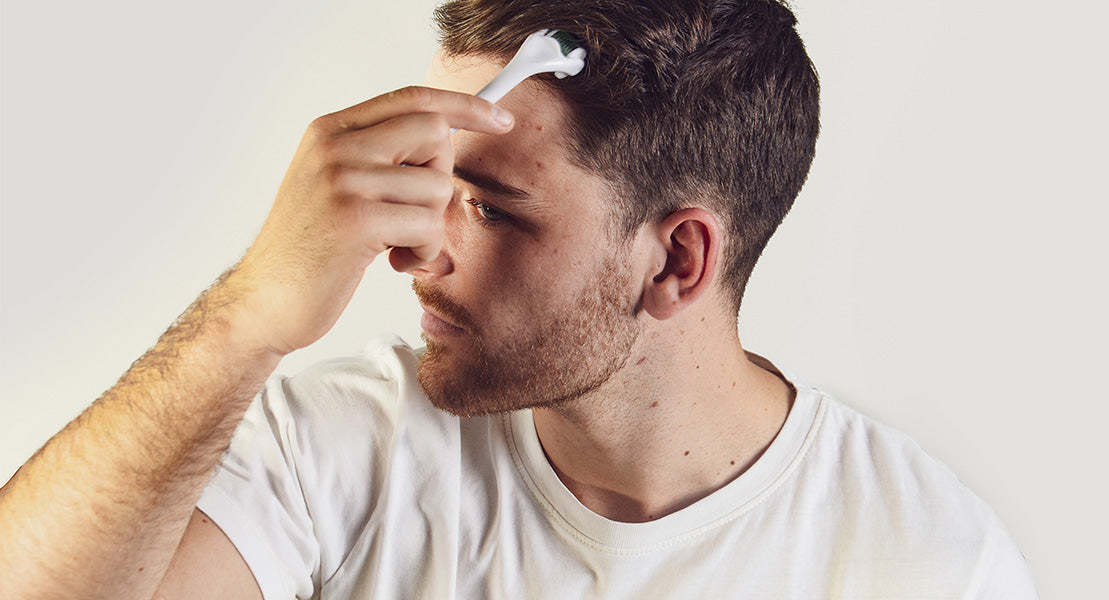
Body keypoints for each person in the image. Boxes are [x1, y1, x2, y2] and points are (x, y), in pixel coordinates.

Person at [0, 0, 1039, 598]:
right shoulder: (342, 448)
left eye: (491, 208)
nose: (412, 248)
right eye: (427, 184)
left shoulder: (922, 563)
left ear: (678, 261)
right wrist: (245, 316)